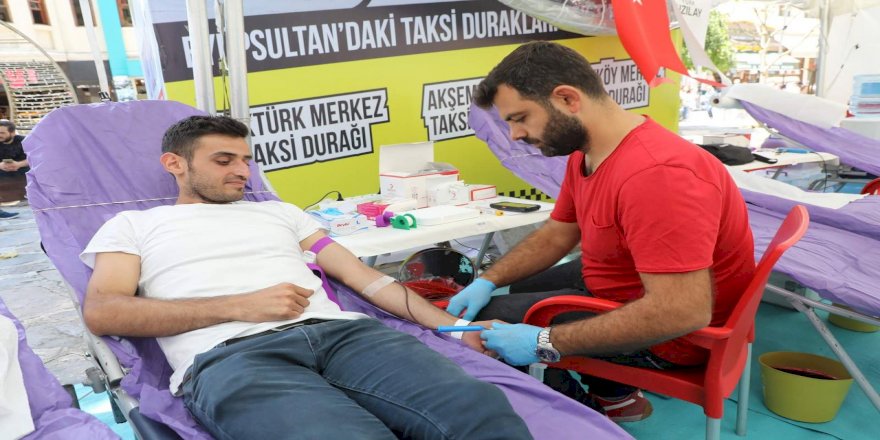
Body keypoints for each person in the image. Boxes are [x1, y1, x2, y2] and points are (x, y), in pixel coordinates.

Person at [80, 116, 531, 439]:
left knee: (479, 409)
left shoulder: (281, 213)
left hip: (346, 337)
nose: (242, 172)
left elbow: (365, 278)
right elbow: (104, 311)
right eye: (224, 160)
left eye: (246, 160)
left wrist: (456, 328)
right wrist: (238, 307)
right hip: (233, 357)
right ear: (174, 163)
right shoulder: (133, 226)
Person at [446, 41, 755, 422]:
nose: (514, 135)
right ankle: (616, 395)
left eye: (520, 118)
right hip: (634, 289)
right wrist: (488, 279)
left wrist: (543, 341)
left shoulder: (657, 175)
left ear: (567, 99)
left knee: (485, 327)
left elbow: (681, 312)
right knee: (522, 284)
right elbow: (558, 234)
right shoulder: (589, 151)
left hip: (676, 339)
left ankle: (583, 419)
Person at [0, 120, 28, 208]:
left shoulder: (25, 141)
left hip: (22, 169)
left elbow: (35, 158)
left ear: (12, 133)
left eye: (2, 133)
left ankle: (25, 196)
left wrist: (19, 164)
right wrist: (0, 165)